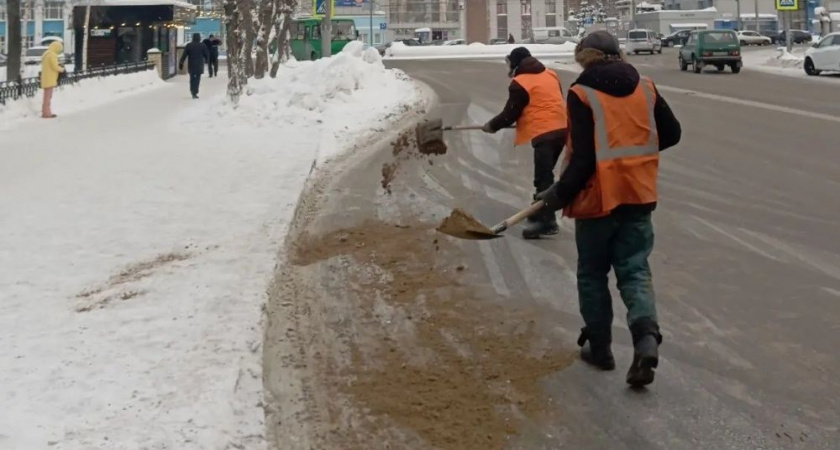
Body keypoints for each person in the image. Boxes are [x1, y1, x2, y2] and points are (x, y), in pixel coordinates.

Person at [534, 31, 681, 387]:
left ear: (585, 58)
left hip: (599, 200)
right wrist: (636, 157)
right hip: (640, 194)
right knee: (634, 270)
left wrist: (556, 195)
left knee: (593, 273)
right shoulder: (646, 86)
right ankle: (646, 337)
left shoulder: (582, 93)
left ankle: (600, 348)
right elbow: (672, 133)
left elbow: (584, 159)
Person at [483, 47, 567, 239]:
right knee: (545, 176)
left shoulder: (519, 83)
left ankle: (546, 222)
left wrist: (491, 126)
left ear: (516, 63)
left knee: (543, 179)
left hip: (545, 133)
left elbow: (509, 114)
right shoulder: (550, 74)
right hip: (562, 129)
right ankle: (539, 213)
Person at [40, 40, 65, 119]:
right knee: (48, 97)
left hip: (45, 77)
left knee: (46, 96)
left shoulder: (46, 54)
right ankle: (47, 113)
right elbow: (54, 66)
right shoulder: (52, 55)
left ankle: (45, 112)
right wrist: (62, 69)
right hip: (50, 78)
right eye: (59, 50)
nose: (59, 52)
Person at [179, 33, 209, 99]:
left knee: (192, 79)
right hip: (199, 65)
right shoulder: (202, 45)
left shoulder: (189, 45)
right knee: (197, 79)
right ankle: (195, 92)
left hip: (191, 65)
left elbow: (184, 55)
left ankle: (192, 91)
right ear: (199, 38)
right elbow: (206, 54)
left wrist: (181, 63)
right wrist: (207, 60)